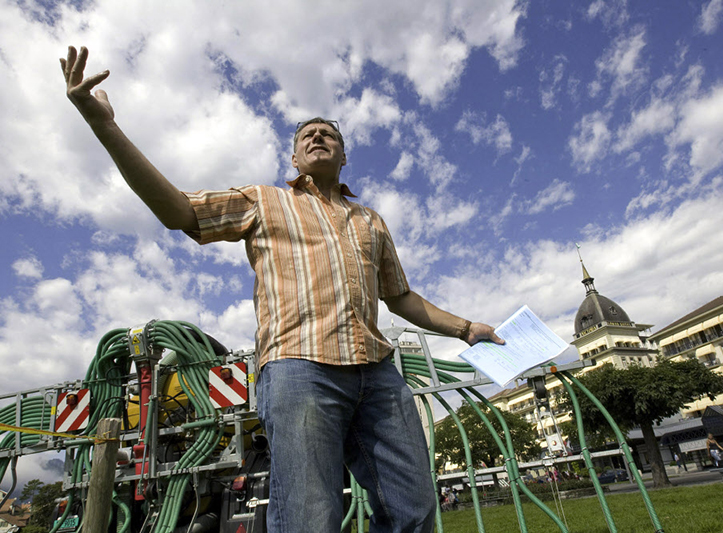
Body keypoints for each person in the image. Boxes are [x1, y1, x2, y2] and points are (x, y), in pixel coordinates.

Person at [61, 46, 503, 533]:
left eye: (329, 133)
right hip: (299, 370)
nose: (318, 135)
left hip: (378, 376)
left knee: (414, 511)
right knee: (310, 519)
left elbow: (399, 297)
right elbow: (178, 212)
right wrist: (103, 125)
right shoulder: (263, 202)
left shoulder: (371, 221)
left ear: (343, 154)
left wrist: (465, 329)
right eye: (307, 135)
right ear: (294, 157)